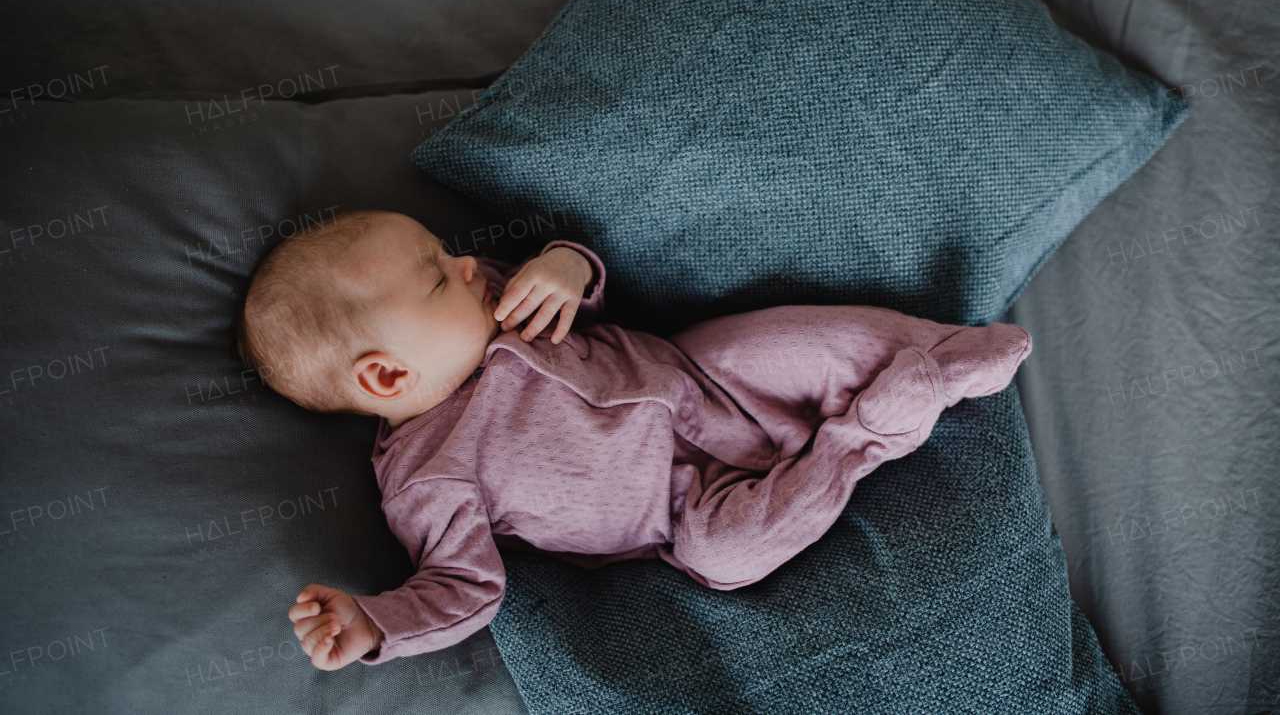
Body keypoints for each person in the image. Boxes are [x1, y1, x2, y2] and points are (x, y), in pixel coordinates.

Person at [235, 209, 1032, 670]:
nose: (469, 263)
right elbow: (463, 587)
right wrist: (379, 624)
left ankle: (944, 353)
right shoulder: (428, 478)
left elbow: (578, 285)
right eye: (440, 275)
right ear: (385, 379)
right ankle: (868, 433)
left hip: (704, 377)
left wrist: (564, 266)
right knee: (732, 557)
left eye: (448, 249)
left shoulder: (502, 305)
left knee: (795, 342)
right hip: (688, 513)